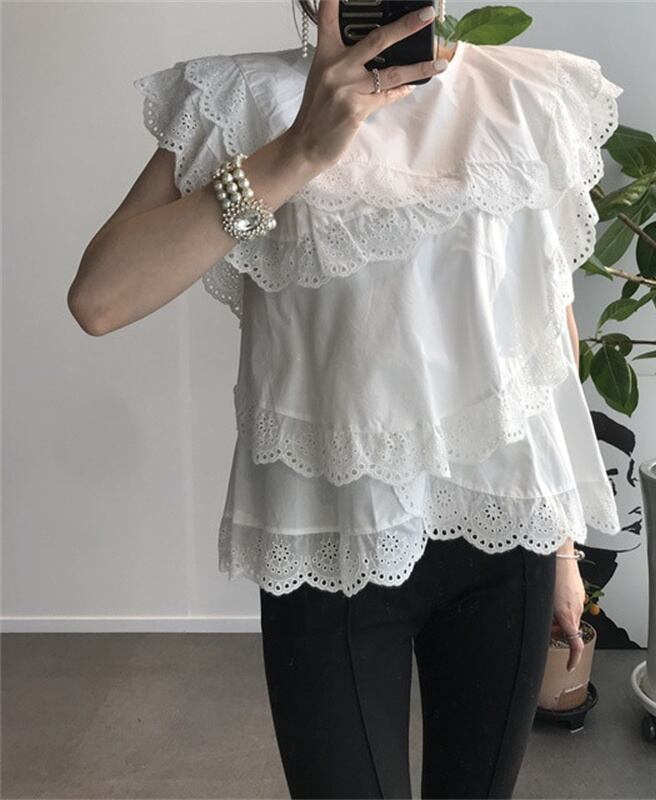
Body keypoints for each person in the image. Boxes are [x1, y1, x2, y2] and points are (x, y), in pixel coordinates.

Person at [67, 0, 625, 796]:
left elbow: (546, 334)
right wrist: (297, 150)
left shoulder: (531, 97)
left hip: (507, 542)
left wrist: (565, 549)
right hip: (326, 547)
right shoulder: (240, 101)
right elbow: (99, 298)